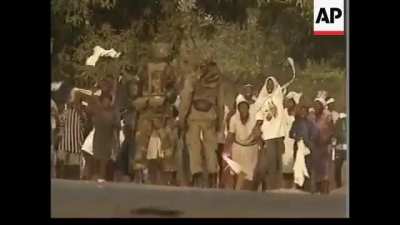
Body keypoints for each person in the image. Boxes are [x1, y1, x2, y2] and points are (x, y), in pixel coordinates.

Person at [132, 41, 178, 184]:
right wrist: (142, 100)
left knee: (167, 142)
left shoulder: (169, 69)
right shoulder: (145, 68)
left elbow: (173, 90)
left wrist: (166, 99)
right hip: (148, 109)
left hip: (162, 110)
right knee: (142, 142)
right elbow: (135, 88)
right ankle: (139, 174)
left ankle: (168, 176)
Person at [179, 52, 224, 188]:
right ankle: (212, 174)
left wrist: (182, 120)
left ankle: (196, 174)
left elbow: (186, 101)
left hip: (194, 116)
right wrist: (220, 124)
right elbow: (220, 104)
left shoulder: (192, 79)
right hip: (210, 116)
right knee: (211, 147)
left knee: (194, 147)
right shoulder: (218, 80)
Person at [252, 76, 287, 191]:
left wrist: (282, 136)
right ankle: (271, 186)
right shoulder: (262, 99)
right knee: (270, 161)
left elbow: (281, 116)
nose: (270, 86)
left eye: (272, 84)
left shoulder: (278, 97)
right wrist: (258, 129)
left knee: (278, 161)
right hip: (268, 135)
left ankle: (278, 185)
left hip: (279, 134)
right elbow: (259, 116)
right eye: (268, 84)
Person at [224, 95, 259, 190]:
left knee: (249, 176)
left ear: (248, 108)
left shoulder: (255, 118)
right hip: (237, 148)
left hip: (251, 149)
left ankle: (247, 196)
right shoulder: (233, 119)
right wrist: (226, 150)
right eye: (240, 107)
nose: (243, 109)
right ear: (238, 108)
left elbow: (258, 134)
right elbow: (230, 135)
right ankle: (237, 194)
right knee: (237, 173)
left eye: (245, 107)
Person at [88, 93, 120, 182]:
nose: (106, 102)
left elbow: (117, 126)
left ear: (110, 102)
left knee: (104, 160)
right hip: (98, 138)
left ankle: (102, 178)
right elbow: (89, 111)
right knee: (96, 158)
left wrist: (116, 141)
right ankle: (95, 177)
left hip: (107, 139)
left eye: (108, 100)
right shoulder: (97, 111)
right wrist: (93, 97)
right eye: (104, 100)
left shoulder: (113, 112)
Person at [57, 93, 86, 180]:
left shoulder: (82, 114)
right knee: (62, 167)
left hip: (76, 145)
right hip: (64, 144)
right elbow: (60, 127)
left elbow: (85, 123)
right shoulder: (65, 113)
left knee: (74, 168)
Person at [309, 94, 334, 194]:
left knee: (325, 169)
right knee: (315, 168)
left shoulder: (328, 115)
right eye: (315, 105)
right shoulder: (312, 116)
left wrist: (327, 139)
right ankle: (316, 189)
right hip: (315, 145)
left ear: (323, 106)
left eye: (318, 105)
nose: (316, 107)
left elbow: (332, 130)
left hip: (325, 145)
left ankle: (325, 191)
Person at [289, 105, 314, 192]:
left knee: (307, 167)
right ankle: (299, 186)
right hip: (298, 147)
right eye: (301, 111)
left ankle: (307, 187)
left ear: (307, 113)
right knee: (298, 166)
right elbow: (290, 134)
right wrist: (296, 137)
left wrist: (308, 144)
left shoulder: (310, 123)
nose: (303, 113)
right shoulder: (295, 123)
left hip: (307, 149)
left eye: (305, 111)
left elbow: (313, 135)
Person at [282, 91, 302, 189]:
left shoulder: (298, 115)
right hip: (284, 143)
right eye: (287, 101)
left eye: (290, 102)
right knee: (285, 168)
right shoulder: (283, 113)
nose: (288, 103)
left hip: (294, 143)